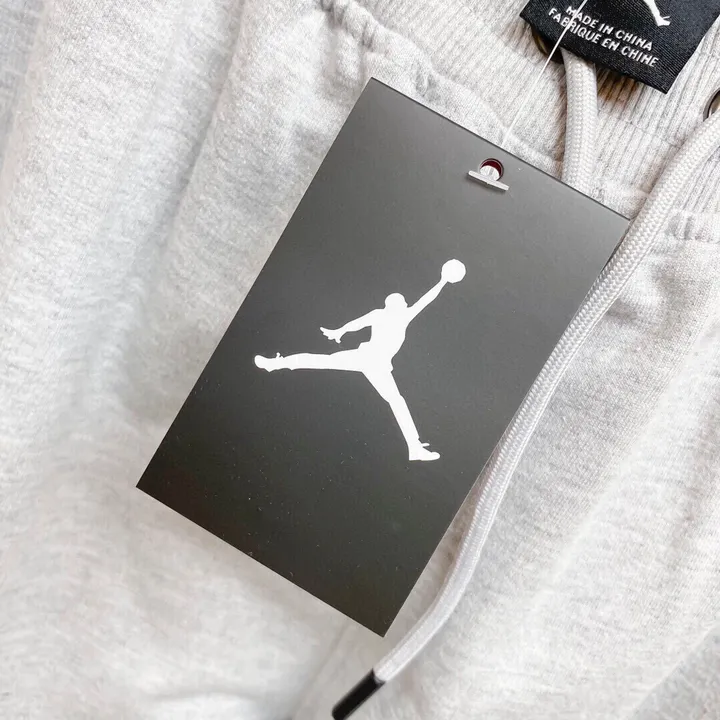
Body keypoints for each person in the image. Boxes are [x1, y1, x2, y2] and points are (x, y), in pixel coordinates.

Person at [2, 2, 720, 719]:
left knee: (381, 399)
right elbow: (371, 319)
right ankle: (283, 369)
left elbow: (419, 303)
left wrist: (431, 289)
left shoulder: (401, 312)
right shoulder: (388, 313)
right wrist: (347, 323)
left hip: (432, 368)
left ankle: (312, 385)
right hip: (287, 84)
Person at [254, 260, 466, 461]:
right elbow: (421, 301)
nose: (405, 303)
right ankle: (415, 447)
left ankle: (415, 448)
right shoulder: (393, 315)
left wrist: (340, 331)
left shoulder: (396, 315)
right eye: (402, 301)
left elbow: (358, 323)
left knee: (329, 364)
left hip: (372, 362)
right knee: (395, 400)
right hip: (370, 359)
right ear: (394, 304)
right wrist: (442, 281)